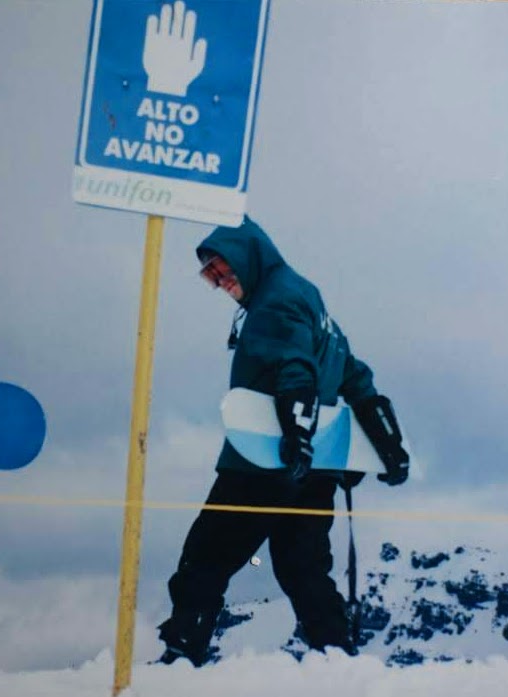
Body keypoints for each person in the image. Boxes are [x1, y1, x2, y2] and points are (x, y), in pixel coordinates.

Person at [157, 216, 410, 667]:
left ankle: (181, 655)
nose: (220, 282)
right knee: (303, 567)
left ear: (248, 257)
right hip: (316, 470)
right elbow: (353, 374)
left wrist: (296, 434)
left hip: (264, 462)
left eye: (223, 269)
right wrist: (389, 447)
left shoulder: (274, 303)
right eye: (210, 275)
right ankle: (336, 659)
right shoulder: (308, 297)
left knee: (206, 557)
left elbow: (295, 369)